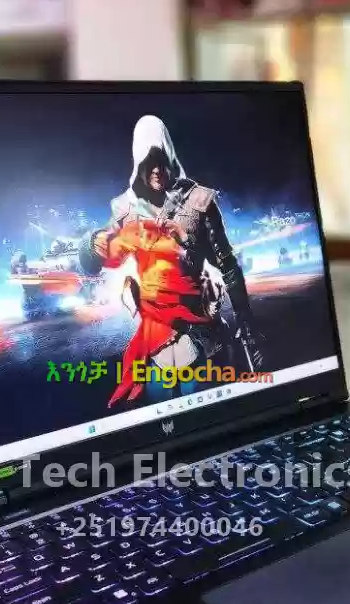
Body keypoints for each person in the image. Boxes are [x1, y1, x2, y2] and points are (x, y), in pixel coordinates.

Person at [78, 114, 262, 405]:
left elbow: (227, 265)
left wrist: (246, 321)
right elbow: (96, 259)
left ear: (171, 156)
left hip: (201, 330)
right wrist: (90, 244)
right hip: (155, 335)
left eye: (161, 159)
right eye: (149, 161)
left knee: (211, 410)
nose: (156, 169)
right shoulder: (125, 209)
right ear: (138, 161)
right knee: (161, 416)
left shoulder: (198, 201)